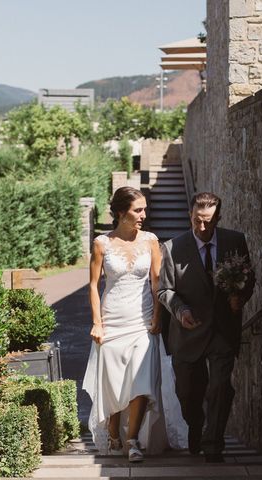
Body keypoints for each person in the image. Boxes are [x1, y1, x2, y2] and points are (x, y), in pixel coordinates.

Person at [82, 186, 186, 462]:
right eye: (137, 210)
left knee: (141, 381)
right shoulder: (101, 244)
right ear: (120, 212)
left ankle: (133, 440)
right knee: (114, 383)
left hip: (142, 321)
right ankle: (114, 431)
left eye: (144, 210)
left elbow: (156, 282)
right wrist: (97, 323)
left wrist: (156, 317)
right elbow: (93, 286)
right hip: (112, 320)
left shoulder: (151, 240)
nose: (143, 215)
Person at [158, 192, 255, 463]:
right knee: (188, 393)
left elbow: (248, 277)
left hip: (223, 331)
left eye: (208, 222)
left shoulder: (235, 241)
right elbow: (164, 289)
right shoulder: (172, 248)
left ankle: (213, 445)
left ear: (218, 218)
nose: (202, 227)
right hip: (188, 332)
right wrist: (180, 310)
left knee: (220, 388)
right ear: (191, 216)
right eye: (197, 221)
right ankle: (195, 424)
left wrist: (241, 296)